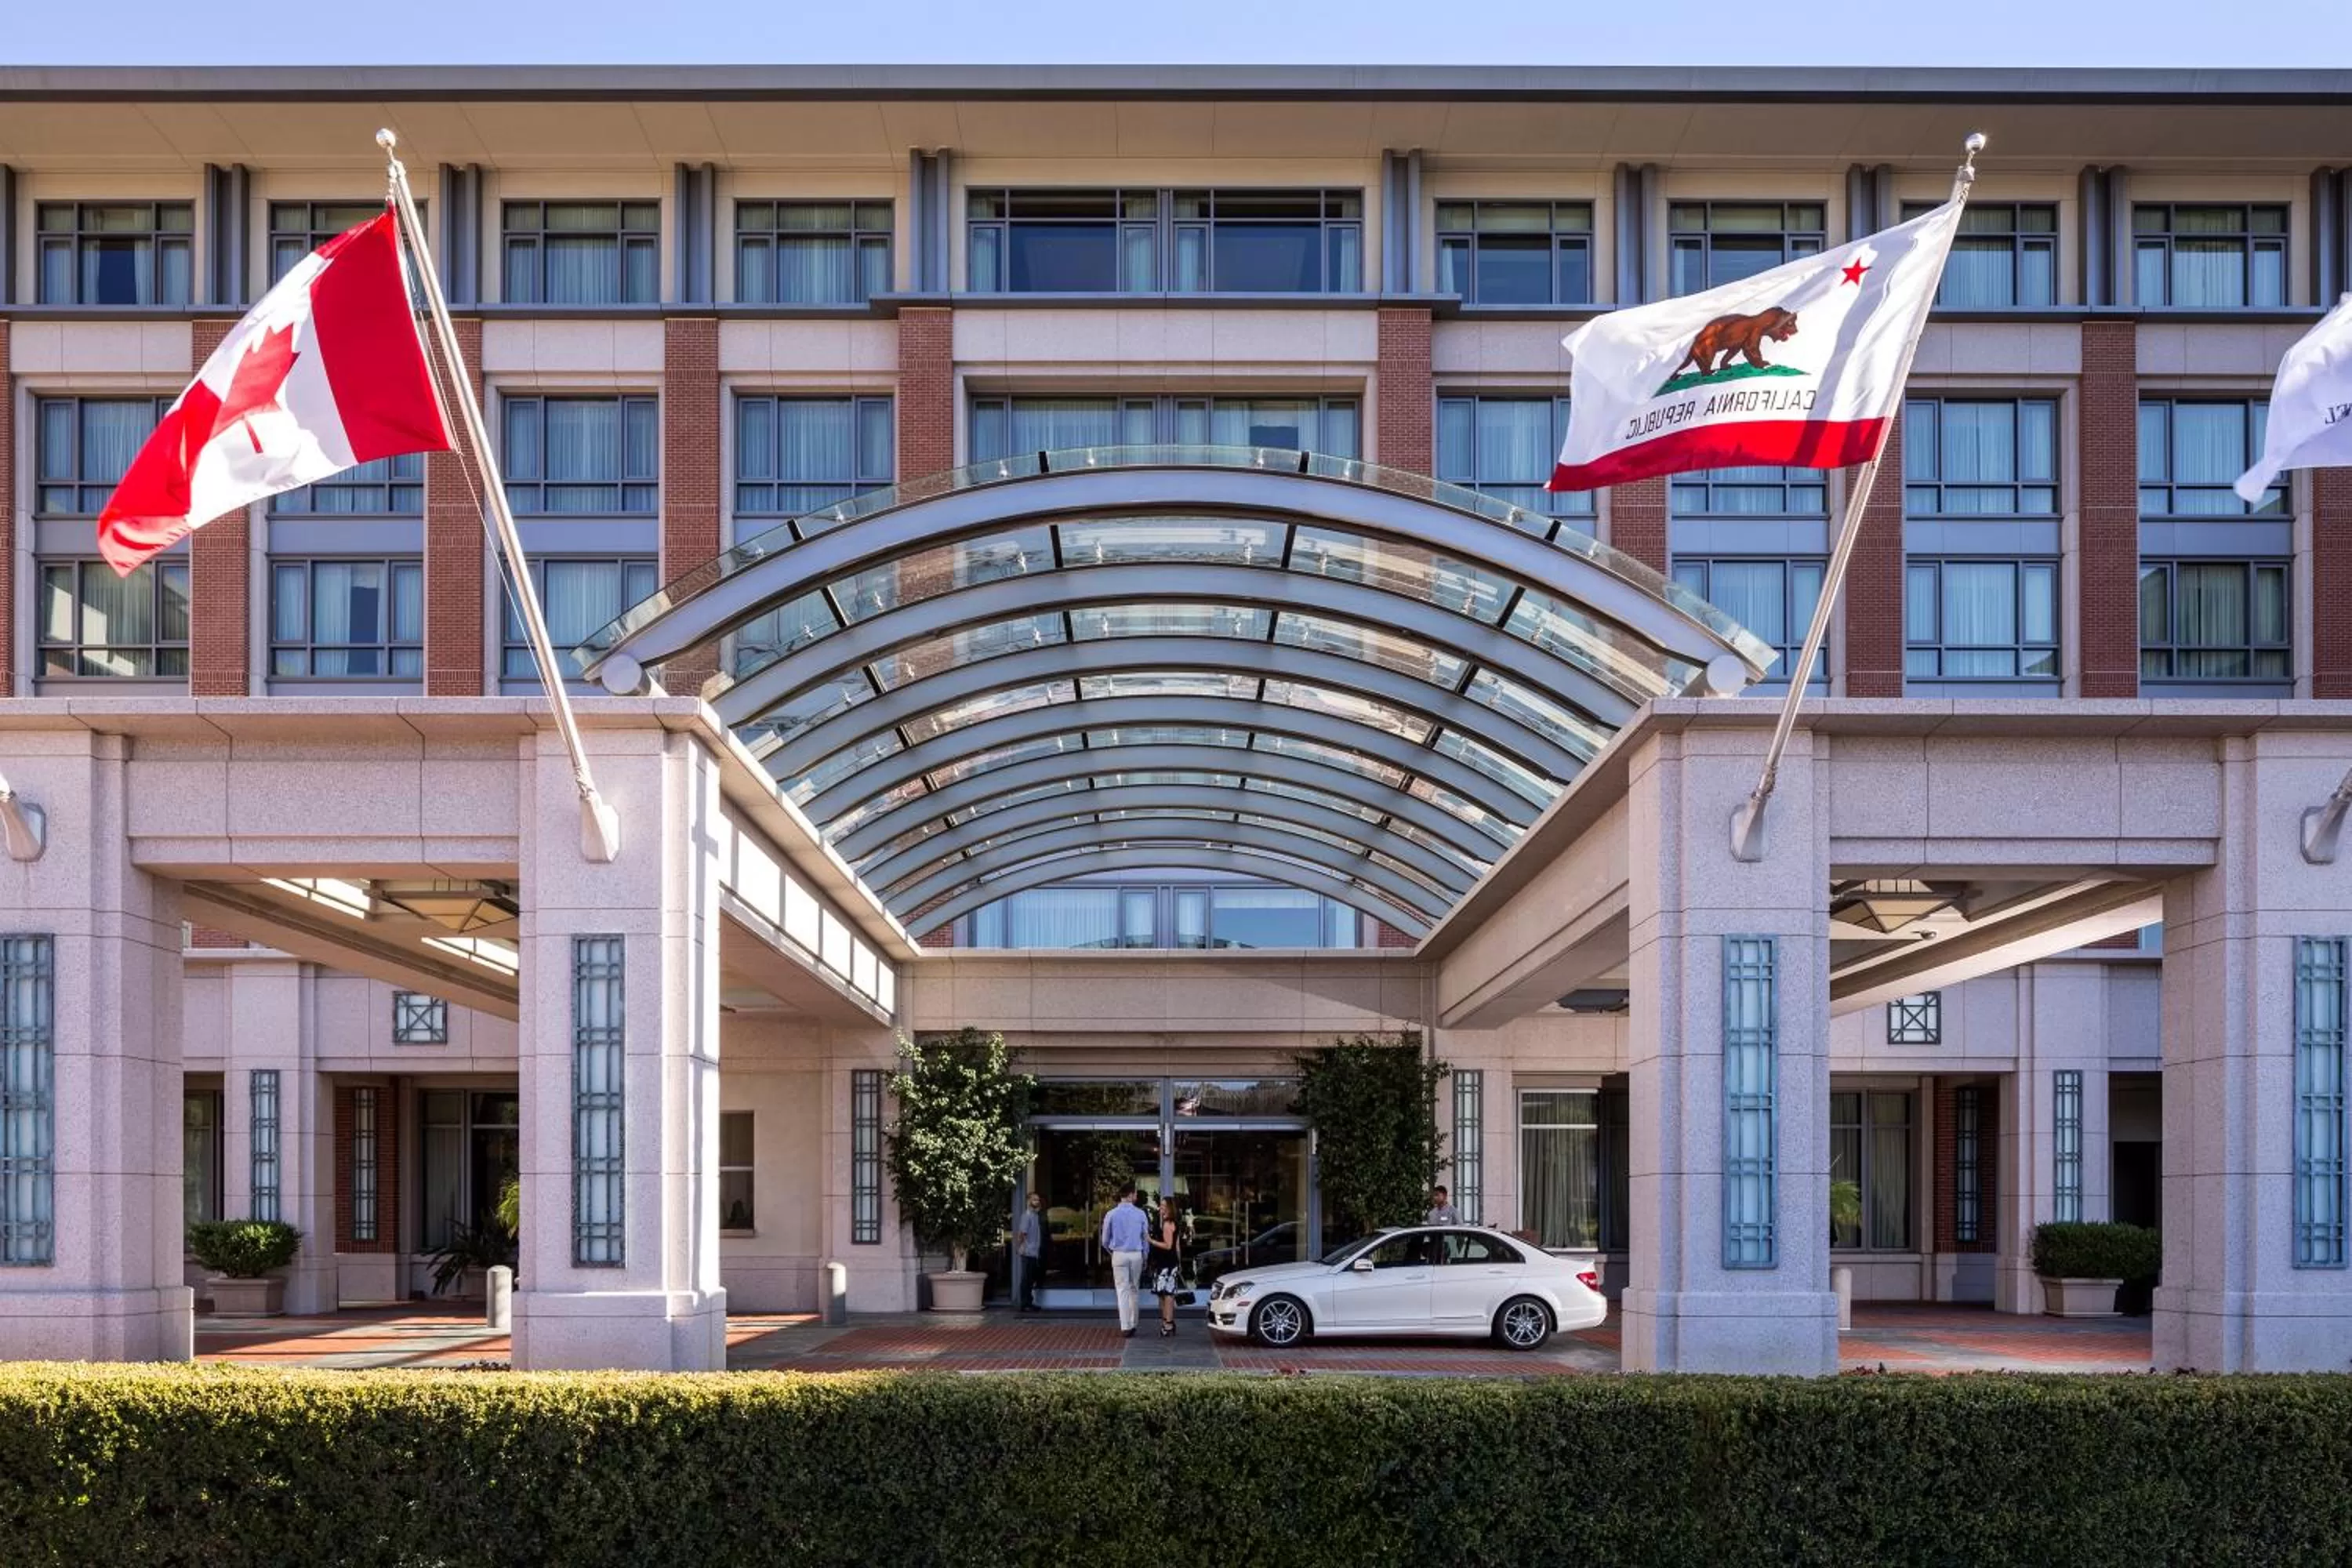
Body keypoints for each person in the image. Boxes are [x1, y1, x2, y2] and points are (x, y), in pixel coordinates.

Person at [1100, 1183, 1150, 1337]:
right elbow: (1145, 1238)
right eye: (1135, 1194)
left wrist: (1111, 1251)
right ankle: (1134, 1322)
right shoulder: (1140, 1214)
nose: (1136, 1197)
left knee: (1122, 1290)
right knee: (1134, 1289)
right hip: (1136, 1254)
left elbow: (1104, 1240)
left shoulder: (1111, 1214)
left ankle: (1126, 1326)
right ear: (1130, 1195)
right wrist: (1145, 1255)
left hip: (1119, 1254)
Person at [1149, 1196, 1185, 1338]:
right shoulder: (1173, 1222)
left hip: (1165, 1264)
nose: (1161, 1207)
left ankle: (1168, 1324)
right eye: (1161, 1205)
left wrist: (1151, 1241)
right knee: (1166, 1294)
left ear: (1170, 1207)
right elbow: (1176, 1246)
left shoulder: (1167, 1224)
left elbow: (1168, 1245)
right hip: (1171, 1263)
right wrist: (1179, 1262)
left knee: (1166, 1295)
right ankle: (1168, 1322)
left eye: (1164, 1205)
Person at [1014, 1191, 1044, 1313]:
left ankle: (1029, 1303)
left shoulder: (1035, 1215)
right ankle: (1024, 1304)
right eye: (1034, 1200)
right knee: (1026, 1279)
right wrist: (1020, 1247)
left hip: (1034, 1252)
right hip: (1028, 1252)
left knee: (1031, 1279)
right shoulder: (1027, 1216)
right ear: (1028, 1202)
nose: (1037, 1202)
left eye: (1038, 1200)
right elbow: (1022, 1233)